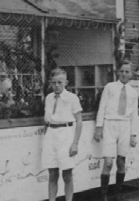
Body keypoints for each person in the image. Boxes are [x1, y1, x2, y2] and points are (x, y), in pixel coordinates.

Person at [94, 60, 138, 200]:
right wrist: (99, 127)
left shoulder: (133, 92)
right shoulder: (110, 87)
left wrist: (133, 134)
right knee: (108, 162)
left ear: (131, 74)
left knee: (121, 162)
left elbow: (134, 115)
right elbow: (102, 107)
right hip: (110, 125)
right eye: (122, 71)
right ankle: (104, 196)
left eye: (127, 72)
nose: (124, 74)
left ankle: (118, 194)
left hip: (125, 126)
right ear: (118, 72)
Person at [42, 68, 83, 201]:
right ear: (50, 83)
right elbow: (47, 119)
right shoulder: (48, 98)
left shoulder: (72, 98)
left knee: (67, 175)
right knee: (52, 174)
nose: (57, 85)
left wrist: (75, 143)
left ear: (66, 82)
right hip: (50, 136)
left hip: (66, 136)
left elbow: (79, 121)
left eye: (60, 82)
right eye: (54, 83)